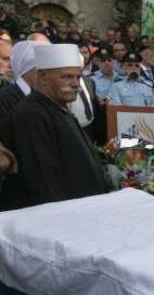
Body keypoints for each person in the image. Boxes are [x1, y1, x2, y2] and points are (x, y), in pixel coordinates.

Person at [9, 44, 108, 207]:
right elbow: (44, 180)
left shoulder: (58, 107)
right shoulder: (31, 115)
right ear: (43, 77)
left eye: (78, 77)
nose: (76, 84)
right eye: (67, 77)